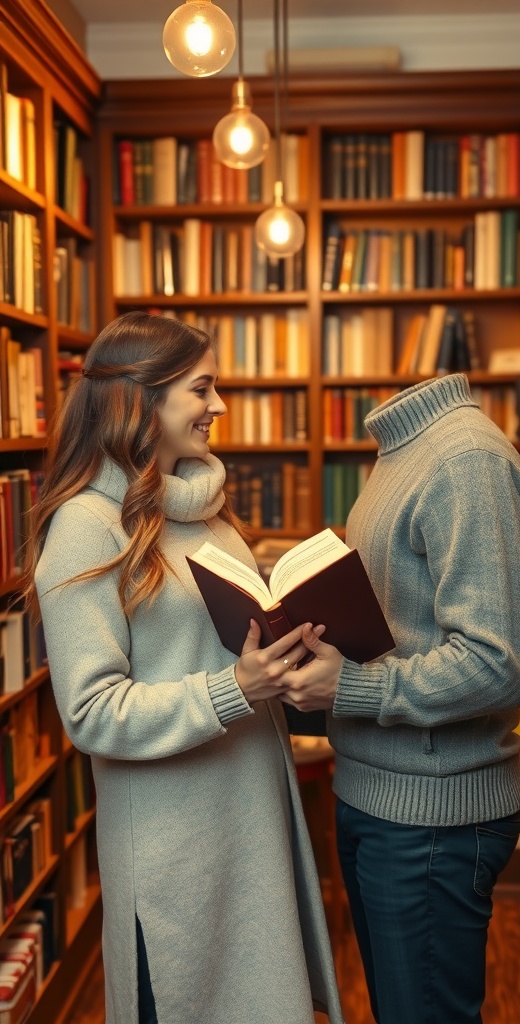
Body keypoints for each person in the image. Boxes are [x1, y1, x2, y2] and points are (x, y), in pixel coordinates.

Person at [21, 310, 345, 1024]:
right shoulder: (84, 528)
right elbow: (92, 712)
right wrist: (235, 688)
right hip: (177, 852)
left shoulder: (206, 511)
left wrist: (293, 657)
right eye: (202, 389)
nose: (219, 407)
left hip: (251, 820)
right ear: (144, 399)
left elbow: (223, 645)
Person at [280, 373, 520, 1024]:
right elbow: (405, 622)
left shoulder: (464, 460)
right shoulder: (402, 452)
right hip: (378, 793)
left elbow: (497, 663)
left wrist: (351, 685)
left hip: (432, 815)